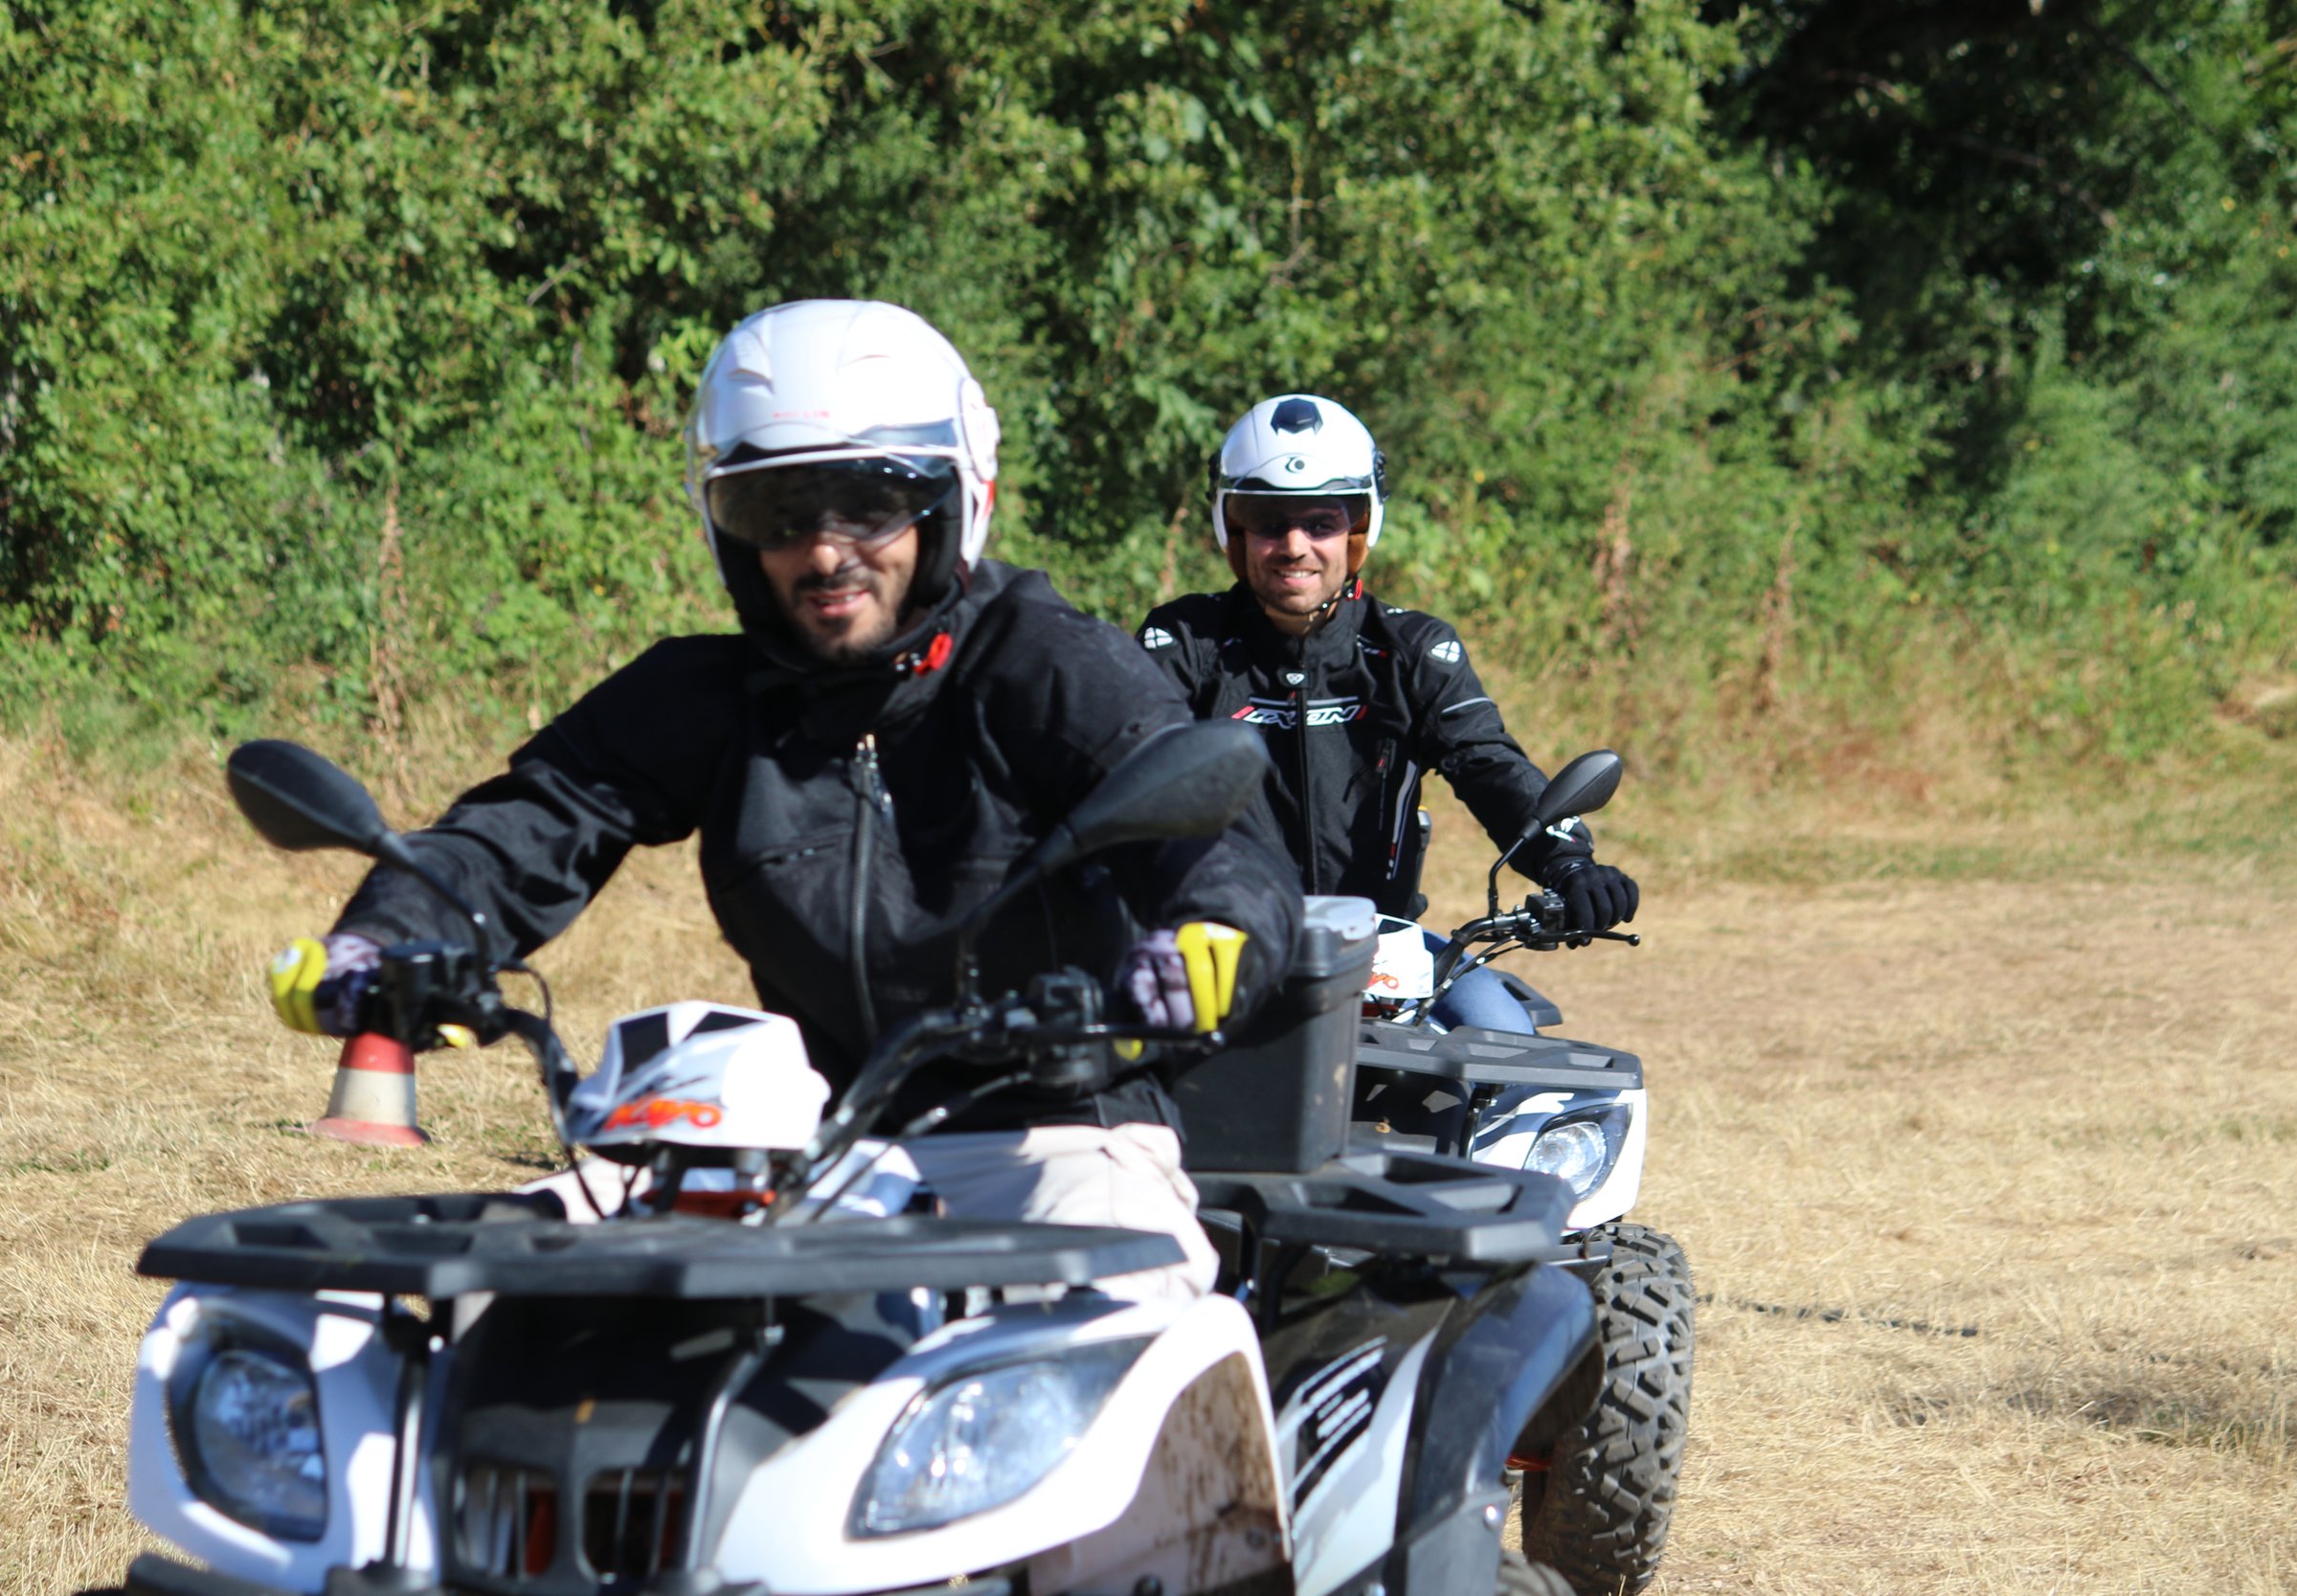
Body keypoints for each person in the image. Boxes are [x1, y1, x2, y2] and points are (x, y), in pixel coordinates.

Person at [265, 300, 1298, 1299]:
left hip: (1059, 1138)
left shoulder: (1047, 663)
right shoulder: (713, 695)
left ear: (951, 501)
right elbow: (523, 828)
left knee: (1115, 1310)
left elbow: (1216, 838)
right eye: (780, 512)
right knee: (511, 1300)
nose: (825, 550)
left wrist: (1210, 934)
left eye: (870, 503)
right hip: (810, 1142)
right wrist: (390, 936)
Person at [1135, 393, 1633, 1034]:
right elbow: (1120, 760)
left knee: (1509, 1046)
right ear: (1232, 529)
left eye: (1321, 523)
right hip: (1216, 950)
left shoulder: (1413, 649)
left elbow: (1488, 764)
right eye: (1267, 522)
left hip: (1382, 951)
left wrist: (1569, 862)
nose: (1294, 546)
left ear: (1359, 530)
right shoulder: (1183, 643)